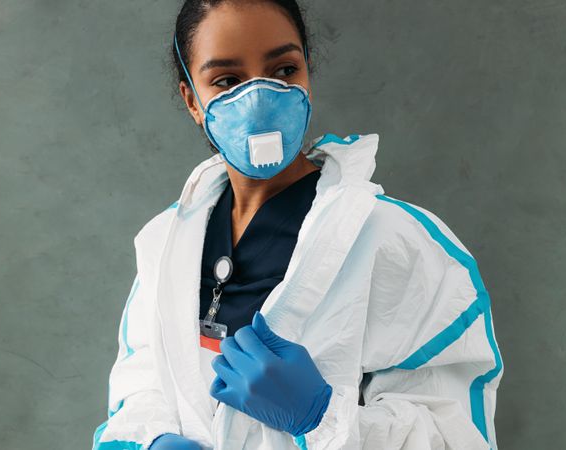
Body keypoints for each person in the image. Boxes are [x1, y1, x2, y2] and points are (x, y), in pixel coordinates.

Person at [91, 1, 504, 449]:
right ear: (193, 99)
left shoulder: (397, 243)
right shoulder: (165, 244)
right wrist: (149, 442)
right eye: (227, 80)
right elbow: (138, 389)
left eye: (284, 70)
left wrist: (319, 416)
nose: (260, 99)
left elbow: (457, 435)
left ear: (307, 73)